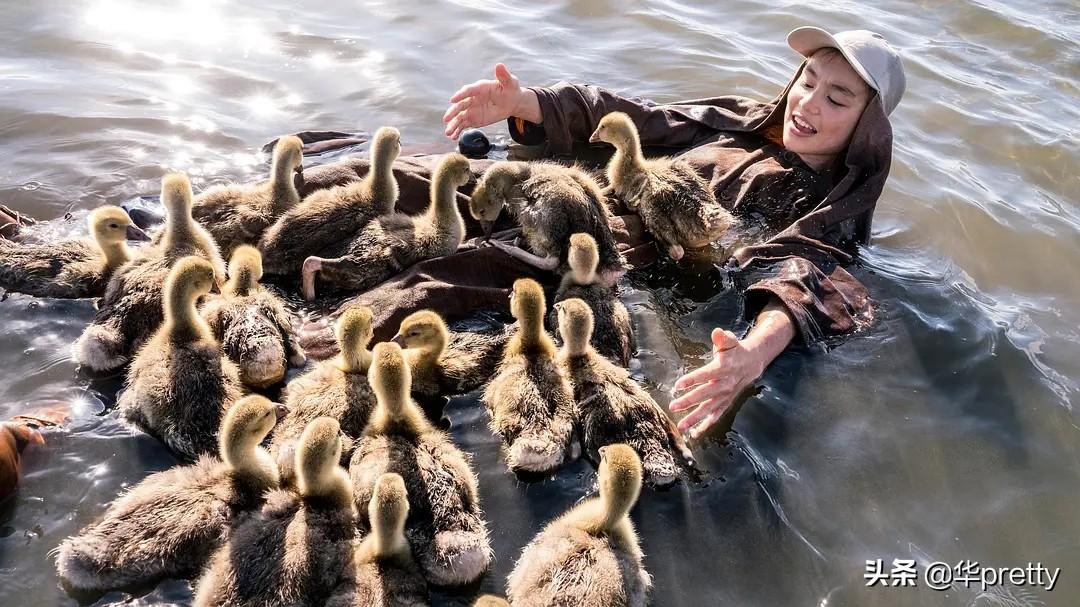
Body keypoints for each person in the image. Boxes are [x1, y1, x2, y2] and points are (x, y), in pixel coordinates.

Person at [441, 27, 906, 438]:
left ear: (866, 128)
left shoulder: (827, 208)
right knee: (414, 180)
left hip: (606, 253)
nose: (808, 102)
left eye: (836, 98)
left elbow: (813, 278)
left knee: (442, 281)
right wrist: (527, 104)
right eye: (807, 81)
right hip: (567, 198)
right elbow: (639, 118)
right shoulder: (736, 122)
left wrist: (753, 354)